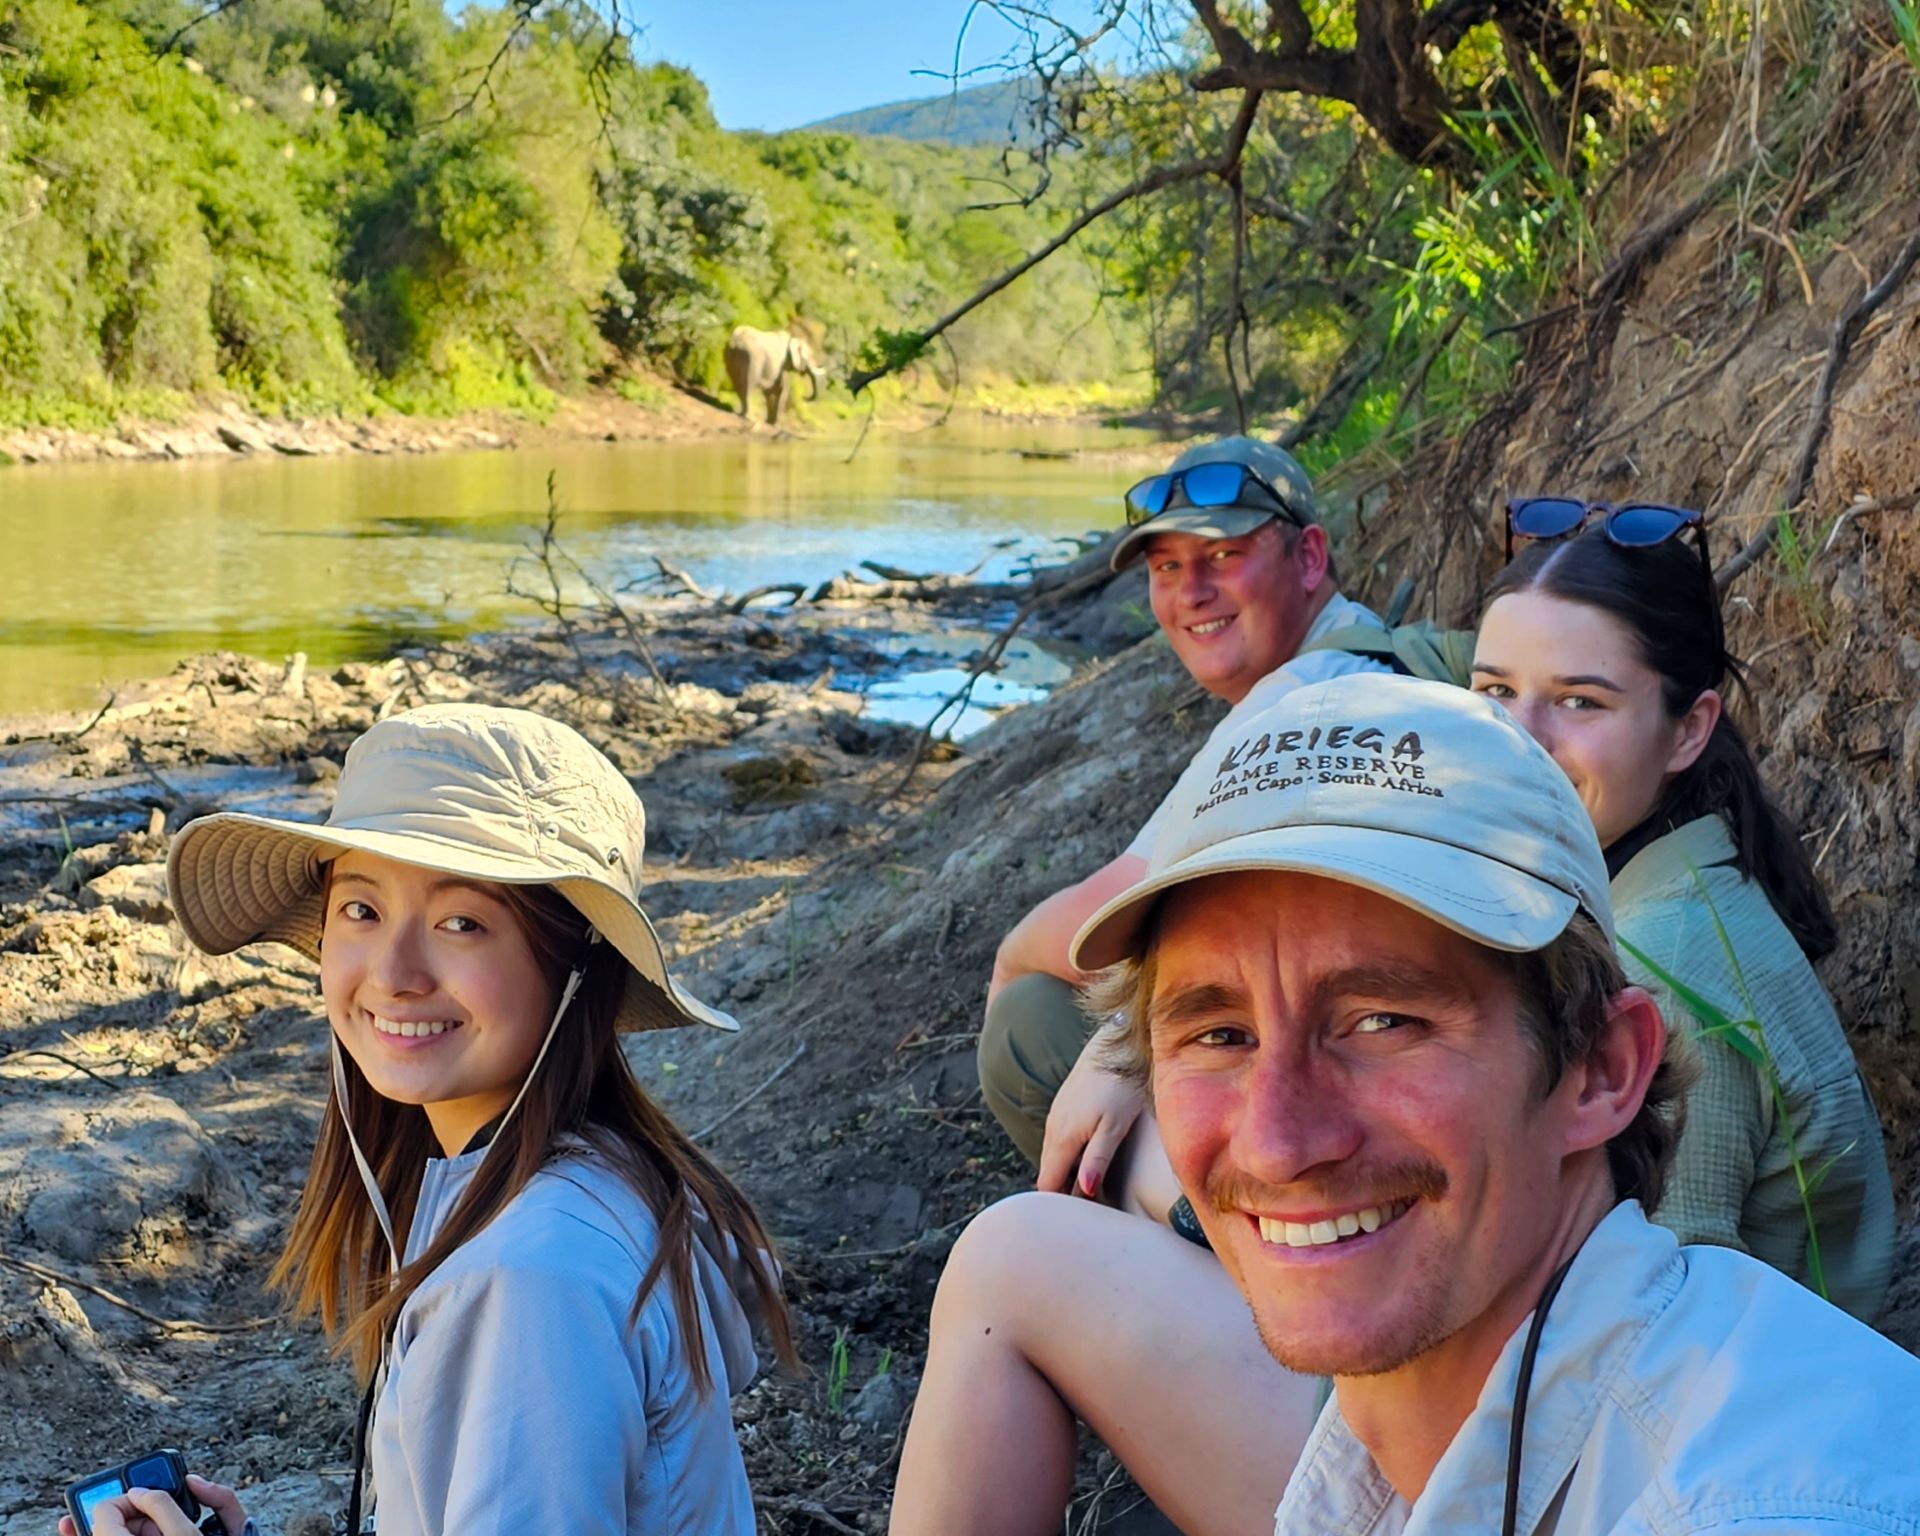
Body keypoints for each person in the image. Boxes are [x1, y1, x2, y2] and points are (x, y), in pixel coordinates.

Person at [894, 673, 1920, 1535]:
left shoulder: (1759, 1501)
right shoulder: (1413, 1451)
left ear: (1604, 1069)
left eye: (1383, 1021)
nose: (1280, 1138)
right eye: (1219, 1034)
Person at [65, 704, 794, 1536]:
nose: (395, 973)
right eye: (362, 911)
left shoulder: (530, 1276)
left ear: (574, 967)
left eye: (462, 922)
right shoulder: (576, 1178)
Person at [1474, 502, 1893, 1320]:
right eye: (1495, 689)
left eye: (1580, 702)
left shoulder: (1655, 970)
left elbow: (1663, 1310)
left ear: (1688, 731)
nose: (1517, 738)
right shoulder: (1676, 878)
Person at [979, 434, 1390, 1215]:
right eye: (1167, 566)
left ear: (1309, 558)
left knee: (1027, 1019)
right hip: (1345, 1045)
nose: (1190, 591)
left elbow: (1100, 919)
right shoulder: (1367, 656)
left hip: (1334, 1070)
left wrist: (1007, 961)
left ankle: (1195, 1240)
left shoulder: (1301, 699)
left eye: (1223, 556)